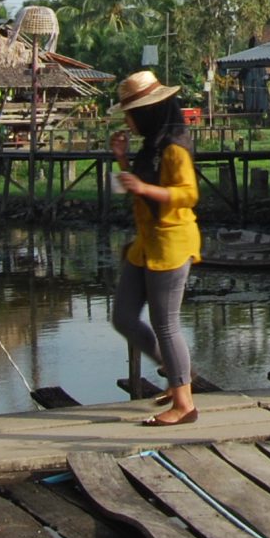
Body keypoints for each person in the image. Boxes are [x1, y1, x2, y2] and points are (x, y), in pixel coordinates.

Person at [110, 70, 202, 427]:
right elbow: (139, 186)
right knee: (124, 316)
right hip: (147, 244)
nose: (128, 122)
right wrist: (122, 159)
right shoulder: (153, 144)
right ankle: (179, 372)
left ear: (147, 113)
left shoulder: (174, 147)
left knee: (166, 323)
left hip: (172, 243)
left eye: (131, 115)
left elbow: (188, 194)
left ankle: (184, 404)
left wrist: (144, 189)